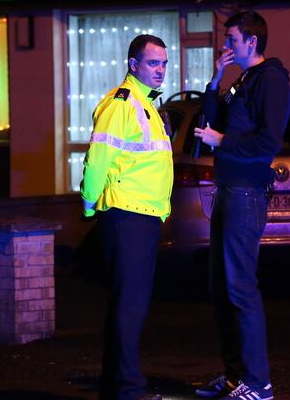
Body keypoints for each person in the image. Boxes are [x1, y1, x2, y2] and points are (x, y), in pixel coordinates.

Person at [192, 11, 290, 400]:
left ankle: (259, 384)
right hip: (229, 189)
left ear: (252, 41)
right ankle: (236, 376)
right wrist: (215, 80)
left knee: (240, 288)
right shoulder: (243, 79)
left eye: (231, 39)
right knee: (222, 288)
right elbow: (213, 120)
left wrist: (222, 142)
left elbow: (268, 142)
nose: (226, 45)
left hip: (246, 192)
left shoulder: (271, 80)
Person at [80, 34, 174, 400]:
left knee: (127, 305)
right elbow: (98, 158)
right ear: (133, 65)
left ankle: (116, 387)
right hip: (128, 215)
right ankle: (129, 390)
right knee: (130, 307)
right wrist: (90, 204)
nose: (160, 70)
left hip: (141, 216)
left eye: (164, 63)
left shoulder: (145, 103)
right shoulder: (122, 104)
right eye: (153, 63)